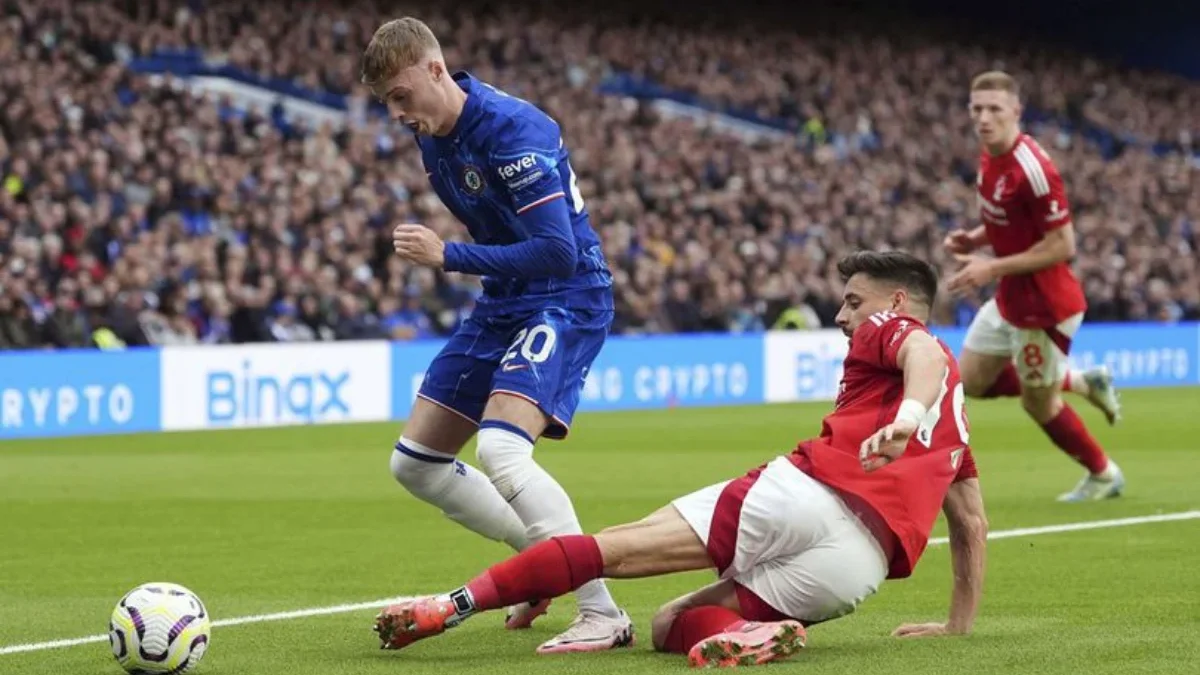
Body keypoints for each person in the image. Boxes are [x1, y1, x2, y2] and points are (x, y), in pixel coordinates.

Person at [373, 251, 989, 668]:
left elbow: (925, 358)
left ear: (897, 301)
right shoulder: (957, 427)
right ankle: (746, 637)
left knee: (614, 547)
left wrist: (905, 418)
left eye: (853, 301)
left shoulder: (900, 332)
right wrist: (957, 626)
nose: (841, 315)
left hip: (806, 495)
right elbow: (971, 526)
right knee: (672, 624)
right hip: (857, 569)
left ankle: (449, 606)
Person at [359, 17, 630, 653]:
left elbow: (558, 252)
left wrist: (448, 255)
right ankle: (542, 564)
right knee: (415, 465)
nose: (397, 114)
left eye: (402, 96)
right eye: (386, 105)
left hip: (567, 296)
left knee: (502, 453)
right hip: (505, 301)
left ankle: (602, 612)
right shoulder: (433, 138)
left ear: (435, 69)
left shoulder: (513, 131)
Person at [946, 70, 1125, 503]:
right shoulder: (990, 157)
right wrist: (976, 237)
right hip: (1011, 296)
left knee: (1037, 404)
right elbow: (1007, 219)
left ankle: (1104, 473)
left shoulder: (1034, 170)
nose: (984, 118)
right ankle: (1081, 381)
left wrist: (991, 268)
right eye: (977, 109)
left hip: (1045, 308)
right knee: (968, 381)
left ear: (1016, 112)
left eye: (994, 109)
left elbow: (1063, 245)